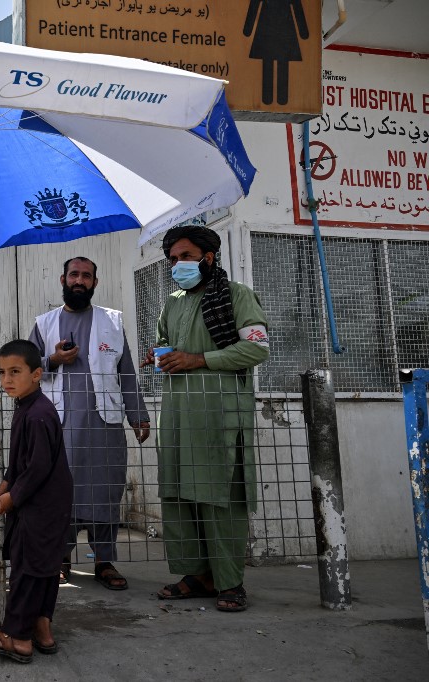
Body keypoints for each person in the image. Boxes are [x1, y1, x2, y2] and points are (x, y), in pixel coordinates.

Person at [144, 226, 270, 613]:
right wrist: (158, 356)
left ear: (208, 257)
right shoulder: (172, 303)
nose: (177, 265)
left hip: (220, 415)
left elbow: (257, 349)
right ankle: (196, 576)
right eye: (172, 259)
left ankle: (229, 581)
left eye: (185, 256)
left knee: (219, 497)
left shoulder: (236, 295)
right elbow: (168, 345)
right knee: (178, 494)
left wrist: (198, 359)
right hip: (177, 416)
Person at [29, 257, 149, 589]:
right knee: (61, 493)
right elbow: (25, 369)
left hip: (104, 426)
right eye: (74, 275)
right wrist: (53, 359)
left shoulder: (112, 321)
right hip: (60, 427)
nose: (79, 281)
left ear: (95, 282)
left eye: (86, 276)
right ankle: (61, 559)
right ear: (63, 280)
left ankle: (104, 561)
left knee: (105, 492)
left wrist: (138, 414)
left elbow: (127, 372)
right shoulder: (44, 324)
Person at [0, 340, 73, 664]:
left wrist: (13, 497)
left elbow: (38, 467)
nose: (7, 379)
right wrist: (6, 483)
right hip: (50, 504)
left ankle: (17, 637)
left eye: (15, 372)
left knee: (27, 570)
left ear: (36, 374)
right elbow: (23, 458)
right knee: (45, 568)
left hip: (39, 506)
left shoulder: (37, 414)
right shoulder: (27, 406)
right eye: (2, 372)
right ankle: (42, 630)